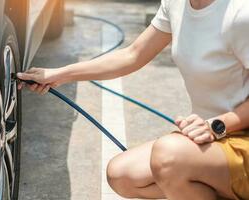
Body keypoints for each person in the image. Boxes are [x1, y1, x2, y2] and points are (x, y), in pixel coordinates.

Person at [16, 0, 249, 199]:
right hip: (211, 138)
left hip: (236, 137)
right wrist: (59, 75)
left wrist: (217, 125)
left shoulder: (240, 14)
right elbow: (133, 55)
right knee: (122, 174)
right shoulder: (177, 4)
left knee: (168, 158)